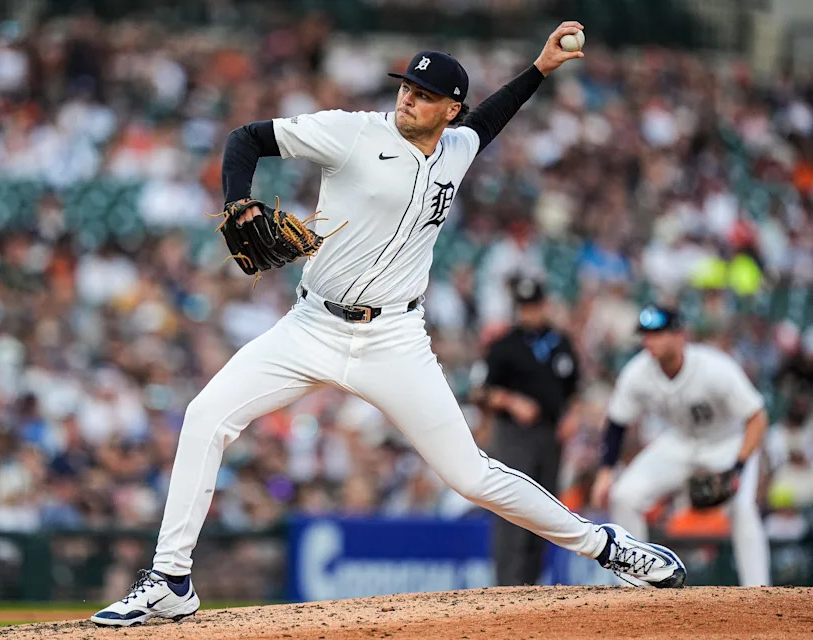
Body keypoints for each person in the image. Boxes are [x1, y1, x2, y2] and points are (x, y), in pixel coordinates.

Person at [92, 22, 687, 627]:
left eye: (424, 95)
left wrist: (539, 68)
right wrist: (239, 202)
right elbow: (245, 139)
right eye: (406, 87)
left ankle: (605, 545)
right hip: (311, 327)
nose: (408, 97)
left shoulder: (457, 148)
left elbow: (490, 120)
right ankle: (170, 578)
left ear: (450, 110)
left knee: (470, 475)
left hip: (394, 340)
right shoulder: (351, 133)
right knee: (205, 416)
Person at [590, 304, 770, 586]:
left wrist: (738, 466)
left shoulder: (714, 368)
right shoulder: (638, 371)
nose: (650, 341)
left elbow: (758, 418)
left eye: (659, 333)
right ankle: (632, 587)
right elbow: (616, 422)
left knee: (743, 509)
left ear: (680, 335)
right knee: (624, 495)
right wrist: (604, 472)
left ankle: (759, 592)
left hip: (726, 443)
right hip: (680, 442)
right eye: (646, 334)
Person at [473, 277, 578, 585]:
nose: (528, 313)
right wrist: (509, 400)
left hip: (550, 437)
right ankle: (506, 586)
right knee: (513, 509)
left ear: (545, 306)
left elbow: (573, 389)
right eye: (523, 307)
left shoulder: (561, 343)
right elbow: (479, 392)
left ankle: (531, 587)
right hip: (514, 436)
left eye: (533, 306)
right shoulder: (504, 345)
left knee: (544, 512)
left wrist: (571, 415)